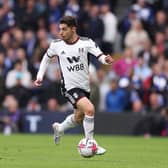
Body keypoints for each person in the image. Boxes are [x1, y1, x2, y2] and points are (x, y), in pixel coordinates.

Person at [34, 16, 113, 155]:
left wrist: (106, 60)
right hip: (69, 87)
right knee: (90, 109)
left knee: (78, 118)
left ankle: (60, 128)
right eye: (60, 29)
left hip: (84, 87)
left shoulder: (86, 43)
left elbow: (100, 56)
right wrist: (39, 76)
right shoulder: (56, 45)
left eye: (64, 29)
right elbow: (46, 59)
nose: (61, 32)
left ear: (73, 29)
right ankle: (90, 143)